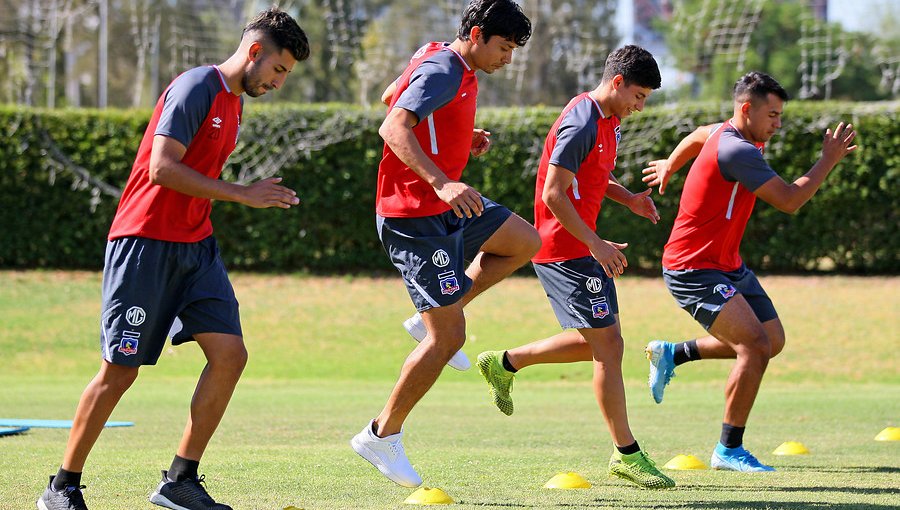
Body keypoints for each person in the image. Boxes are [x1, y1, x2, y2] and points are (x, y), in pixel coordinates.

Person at [36, 9, 309, 510]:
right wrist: (242, 194)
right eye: (278, 70)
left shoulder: (234, 102)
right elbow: (162, 169)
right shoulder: (195, 87)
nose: (278, 82)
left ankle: (180, 480)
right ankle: (62, 488)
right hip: (144, 243)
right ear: (254, 53)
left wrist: (229, 198)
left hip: (195, 246)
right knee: (120, 372)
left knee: (230, 355)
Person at [350, 0, 540, 488]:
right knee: (449, 338)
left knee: (523, 241)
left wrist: (456, 132)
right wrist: (440, 179)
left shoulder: (442, 57)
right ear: (476, 34)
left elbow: (393, 94)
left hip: (443, 210)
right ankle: (380, 435)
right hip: (415, 217)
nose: (508, 59)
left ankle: (426, 315)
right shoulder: (442, 66)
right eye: (504, 47)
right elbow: (391, 124)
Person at [474, 45, 675, 490]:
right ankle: (627, 454)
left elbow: (593, 177)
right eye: (638, 96)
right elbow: (553, 193)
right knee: (609, 346)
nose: (640, 106)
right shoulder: (583, 119)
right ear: (618, 82)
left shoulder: (610, 122)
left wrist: (631, 200)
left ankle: (505, 363)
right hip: (566, 248)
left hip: (580, 246)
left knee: (600, 344)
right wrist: (596, 244)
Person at [640, 71, 857, 472]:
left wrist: (671, 163)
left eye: (779, 115)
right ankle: (728, 450)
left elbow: (699, 134)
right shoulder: (738, 151)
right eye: (772, 115)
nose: (778, 123)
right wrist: (828, 159)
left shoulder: (727, 134)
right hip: (693, 268)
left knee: (771, 340)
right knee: (754, 347)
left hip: (727, 265)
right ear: (746, 109)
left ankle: (672, 353)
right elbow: (790, 200)